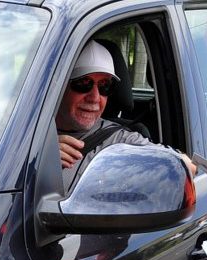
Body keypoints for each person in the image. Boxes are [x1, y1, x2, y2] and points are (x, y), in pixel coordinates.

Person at [56, 40, 194, 182]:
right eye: (83, 83)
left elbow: (185, 165)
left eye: (105, 86)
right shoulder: (34, 128)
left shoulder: (120, 141)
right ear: (60, 87)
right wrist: (37, 158)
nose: (95, 98)